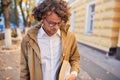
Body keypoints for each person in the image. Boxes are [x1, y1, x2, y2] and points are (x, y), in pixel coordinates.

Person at [20, 0, 80, 80]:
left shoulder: (70, 37)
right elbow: (24, 69)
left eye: (59, 23)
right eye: (51, 23)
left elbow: (75, 58)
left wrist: (74, 73)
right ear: (42, 18)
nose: (56, 27)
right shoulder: (28, 40)